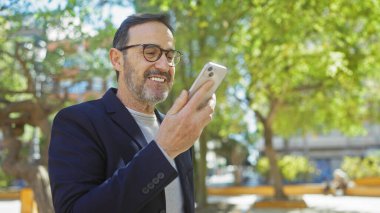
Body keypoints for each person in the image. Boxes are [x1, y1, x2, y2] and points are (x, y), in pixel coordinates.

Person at [48, 13, 216, 213]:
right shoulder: (77, 122)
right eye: (150, 52)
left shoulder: (176, 128)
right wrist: (163, 151)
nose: (164, 65)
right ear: (117, 59)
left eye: (169, 56)